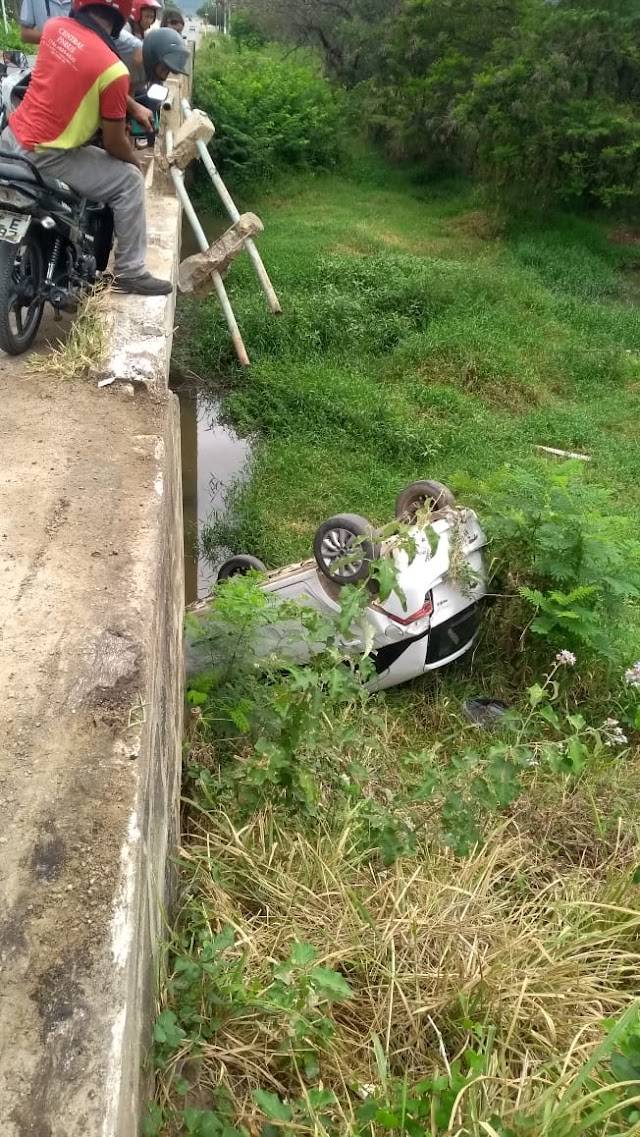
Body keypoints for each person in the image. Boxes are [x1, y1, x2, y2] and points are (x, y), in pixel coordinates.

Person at [0, 0, 172, 295]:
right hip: (49, 156)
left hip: (11, 138)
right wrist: (134, 162)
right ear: (121, 17)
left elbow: (78, 69)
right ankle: (131, 271)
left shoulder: (54, 29)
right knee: (129, 181)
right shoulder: (114, 70)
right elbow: (115, 142)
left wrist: (129, 105)